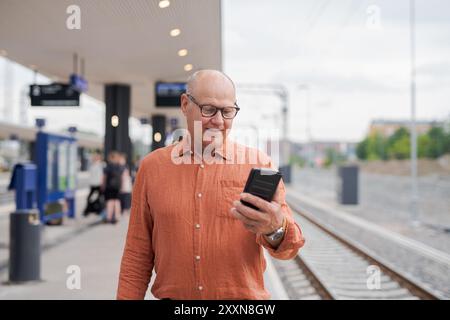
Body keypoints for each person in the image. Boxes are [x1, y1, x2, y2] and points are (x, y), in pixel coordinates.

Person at [117, 70, 305, 300]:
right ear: (185, 104)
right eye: (209, 110)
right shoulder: (151, 168)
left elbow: (290, 248)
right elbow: (137, 254)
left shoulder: (258, 164)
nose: (218, 121)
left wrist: (275, 229)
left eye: (227, 112)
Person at [102, 151, 124, 224]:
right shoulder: (119, 166)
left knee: (110, 201)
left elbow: (104, 178)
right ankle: (117, 217)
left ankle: (109, 217)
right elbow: (121, 177)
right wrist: (121, 186)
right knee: (117, 201)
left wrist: (103, 186)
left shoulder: (108, 167)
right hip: (117, 187)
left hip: (109, 186)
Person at [83, 151, 104, 216]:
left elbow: (102, 175)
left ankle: (98, 210)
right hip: (93, 184)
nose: (94, 158)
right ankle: (90, 210)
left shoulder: (101, 165)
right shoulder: (92, 165)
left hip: (98, 184)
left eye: (96, 156)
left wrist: (102, 183)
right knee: (90, 198)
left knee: (99, 198)